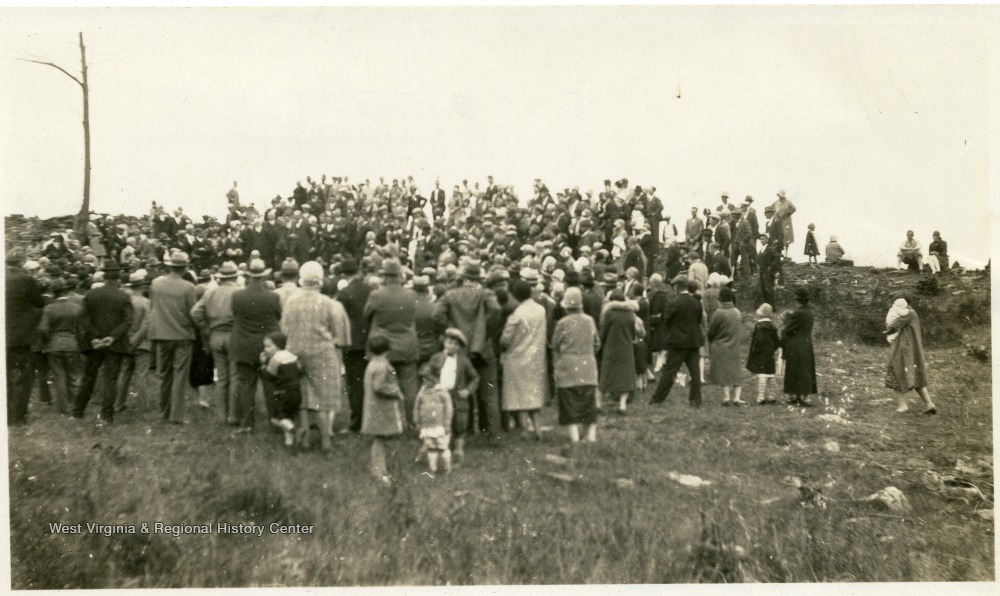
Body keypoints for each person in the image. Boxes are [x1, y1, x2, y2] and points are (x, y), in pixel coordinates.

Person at [282, 261, 350, 451]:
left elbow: (284, 328)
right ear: (320, 281)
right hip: (322, 353)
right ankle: (326, 442)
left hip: (296, 352)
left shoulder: (291, 302)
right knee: (323, 399)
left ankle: (305, 440)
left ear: (301, 280)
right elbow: (338, 334)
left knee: (304, 398)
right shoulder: (328, 303)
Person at [433, 263, 503, 443]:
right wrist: (486, 332)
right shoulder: (485, 293)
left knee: (461, 390)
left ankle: (465, 430)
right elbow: (496, 310)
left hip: (460, 348)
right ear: (479, 278)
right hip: (483, 348)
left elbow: (436, 314)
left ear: (463, 278)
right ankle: (493, 434)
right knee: (489, 393)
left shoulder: (450, 294)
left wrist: (451, 332)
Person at [73, 264, 134, 425]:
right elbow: (128, 320)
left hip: (94, 343)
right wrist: (112, 336)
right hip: (114, 343)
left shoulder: (91, 294)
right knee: (110, 379)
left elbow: (83, 317)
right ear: (118, 277)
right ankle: (107, 416)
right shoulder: (123, 296)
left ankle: (78, 411)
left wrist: (93, 336)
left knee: (88, 377)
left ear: (104, 276)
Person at [364, 259, 420, 427]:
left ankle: (384, 422)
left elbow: (366, 315)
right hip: (407, 345)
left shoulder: (376, 295)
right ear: (399, 276)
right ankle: (411, 422)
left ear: (385, 276)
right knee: (409, 386)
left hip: (382, 346)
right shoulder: (411, 295)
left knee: (380, 384)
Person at [230, 259, 282, 433]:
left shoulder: (237, 296)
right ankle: (275, 423)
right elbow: (278, 316)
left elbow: (235, 314)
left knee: (246, 385)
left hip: (244, 345)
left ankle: (247, 424)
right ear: (264, 276)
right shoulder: (273, 297)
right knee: (271, 385)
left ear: (248, 275)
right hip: (267, 347)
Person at [148, 251, 198, 424]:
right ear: (184, 267)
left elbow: (153, 307)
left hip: (161, 334)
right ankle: (176, 416)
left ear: (170, 266)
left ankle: (163, 412)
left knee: (165, 375)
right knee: (180, 376)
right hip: (182, 335)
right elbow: (193, 313)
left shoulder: (155, 283)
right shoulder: (188, 287)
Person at [190, 261, 240, 420]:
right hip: (234, 335)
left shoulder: (210, 292)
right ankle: (233, 415)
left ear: (221, 278)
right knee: (234, 376)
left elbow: (195, 312)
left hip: (215, 335)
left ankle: (221, 415)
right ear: (235, 276)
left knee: (222, 377)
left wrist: (205, 328)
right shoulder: (239, 292)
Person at [499, 278, 549, 438]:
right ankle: (537, 428)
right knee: (533, 395)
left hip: (516, 358)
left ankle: (524, 429)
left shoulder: (517, 314)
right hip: (536, 357)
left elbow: (505, 339)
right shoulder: (541, 310)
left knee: (518, 396)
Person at [551, 287, 600, 443]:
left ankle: (574, 437)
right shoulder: (589, 320)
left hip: (567, 369)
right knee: (588, 403)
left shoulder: (563, 323)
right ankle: (591, 436)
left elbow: (554, 344)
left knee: (569, 403)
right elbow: (597, 343)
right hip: (588, 367)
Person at [649, 274, 705, 408]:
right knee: (695, 372)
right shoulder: (696, 302)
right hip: (693, 341)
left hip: (678, 342)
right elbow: (698, 320)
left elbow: (667, 321)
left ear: (677, 287)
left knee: (670, 371)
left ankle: (658, 399)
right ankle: (695, 400)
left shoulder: (673, 302)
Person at [425, 327, 479, 462]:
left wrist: (468, 390)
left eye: (455, 344)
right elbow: (426, 372)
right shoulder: (436, 358)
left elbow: (475, 377)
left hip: (456, 396)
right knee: (439, 420)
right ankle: (440, 447)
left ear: (459, 347)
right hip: (440, 395)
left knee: (459, 421)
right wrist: (433, 384)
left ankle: (459, 448)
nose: (452, 346)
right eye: (449, 342)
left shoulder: (463, 361)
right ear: (444, 343)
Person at [6, 250, 44, 425]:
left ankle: (6, 415)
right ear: (21, 263)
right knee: (22, 377)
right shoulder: (26, 279)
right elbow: (39, 302)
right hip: (21, 337)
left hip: (5, 335)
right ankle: (18, 418)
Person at [361, 334, 406, 486]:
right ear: (388, 350)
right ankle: (380, 471)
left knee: (381, 439)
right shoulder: (383, 366)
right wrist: (395, 391)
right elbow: (379, 386)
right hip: (382, 410)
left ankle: (381, 469)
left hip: (376, 409)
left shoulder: (372, 363)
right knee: (382, 440)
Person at [335, 258, 372, 433]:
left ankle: (357, 422)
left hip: (351, 343)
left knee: (355, 384)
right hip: (370, 341)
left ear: (343, 274)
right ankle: (370, 419)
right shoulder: (370, 289)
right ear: (357, 271)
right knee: (369, 382)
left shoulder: (343, 293)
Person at [884, 297, 937, 414]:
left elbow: (892, 326)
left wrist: (889, 322)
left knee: (896, 374)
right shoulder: (911, 313)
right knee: (916, 377)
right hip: (910, 350)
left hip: (904, 350)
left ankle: (903, 405)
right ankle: (929, 404)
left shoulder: (908, 314)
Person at [37, 278, 82, 415]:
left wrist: (50, 339)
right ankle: (76, 405)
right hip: (72, 344)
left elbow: (43, 328)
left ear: (53, 293)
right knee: (73, 375)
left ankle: (64, 408)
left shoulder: (49, 309)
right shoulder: (76, 308)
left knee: (59, 376)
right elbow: (82, 329)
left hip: (54, 345)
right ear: (65, 291)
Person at [115, 271, 151, 413]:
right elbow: (146, 325)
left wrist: (128, 341)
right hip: (142, 344)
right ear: (142, 286)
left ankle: (118, 403)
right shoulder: (146, 302)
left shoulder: (124, 302)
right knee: (142, 375)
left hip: (126, 343)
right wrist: (136, 340)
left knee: (124, 373)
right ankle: (143, 405)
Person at [259, 331, 302, 447]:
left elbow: (269, 376)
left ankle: (295, 430)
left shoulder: (276, 359)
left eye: (268, 346)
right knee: (288, 417)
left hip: (283, 393)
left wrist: (263, 364)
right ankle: (289, 443)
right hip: (296, 391)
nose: (265, 349)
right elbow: (300, 370)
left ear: (278, 345)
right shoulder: (292, 356)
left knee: (276, 418)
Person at [599, 289, 637, 415]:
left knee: (606, 374)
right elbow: (632, 333)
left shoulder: (609, 313)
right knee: (626, 376)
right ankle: (622, 405)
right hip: (626, 347)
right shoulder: (630, 314)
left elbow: (604, 331)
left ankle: (598, 404)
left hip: (611, 346)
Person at [413, 362, 454, 474]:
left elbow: (448, 409)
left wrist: (447, 424)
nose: (425, 382)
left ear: (436, 378)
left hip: (440, 426)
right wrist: (417, 421)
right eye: (423, 379)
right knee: (431, 447)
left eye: (428, 379)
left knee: (443, 446)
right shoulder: (422, 393)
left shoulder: (442, 392)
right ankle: (433, 469)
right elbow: (416, 407)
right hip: (427, 426)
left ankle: (447, 468)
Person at [707, 287, 745, 406]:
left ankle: (726, 398)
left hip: (721, 346)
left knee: (724, 373)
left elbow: (711, 331)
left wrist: (711, 340)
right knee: (736, 372)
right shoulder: (737, 312)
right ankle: (737, 398)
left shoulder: (719, 313)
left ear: (720, 299)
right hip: (734, 345)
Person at [781, 288, 818, 406]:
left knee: (793, 370)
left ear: (798, 301)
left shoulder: (798, 313)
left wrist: (784, 327)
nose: (795, 303)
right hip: (807, 344)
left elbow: (788, 329)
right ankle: (805, 397)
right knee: (805, 370)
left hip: (796, 345)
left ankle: (793, 396)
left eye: (796, 300)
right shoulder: (810, 313)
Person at [746, 303, 780, 404]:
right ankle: (772, 396)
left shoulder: (759, 326)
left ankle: (761, 397)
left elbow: (758, 340)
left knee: (762, 375)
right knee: (771, 374)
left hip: (761, 353)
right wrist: (772, 349)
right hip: (770, 353)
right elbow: (777, 342)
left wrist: (754, 350)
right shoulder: (773, 326)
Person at [772, 189, 796, 257]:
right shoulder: (776, 202)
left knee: (786, 236)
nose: (779, 196)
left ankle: (786, 252)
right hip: (777, 220)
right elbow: (771, 208)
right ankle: (779, 252)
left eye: (780, 195)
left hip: (785, 221)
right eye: (778, 195)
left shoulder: (788, 202)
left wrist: (788, 214)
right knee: (778, 235)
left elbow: (794, 208)